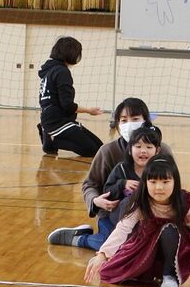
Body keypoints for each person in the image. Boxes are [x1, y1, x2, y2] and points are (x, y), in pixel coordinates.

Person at [47, 99, 174, 249]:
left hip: (150, 214)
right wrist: (96, 201)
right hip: (111, 213)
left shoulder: (163, 151)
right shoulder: (108, 151)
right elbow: (90, 184)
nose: (129, 125)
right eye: (124, 120)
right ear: (118, 125)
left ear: (146, 121)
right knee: (114, 247)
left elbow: (172, 184)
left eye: (135, 119)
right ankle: (80, 238)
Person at [84, 155, 190, 287]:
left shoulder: (183, 200)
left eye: (165, 181)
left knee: (169, 229)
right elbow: (123, 228)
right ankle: (146, 273)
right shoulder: (141, 201)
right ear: (145, 183)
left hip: (176, 244)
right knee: (109, 272)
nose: (159, 187)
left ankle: (169, 276)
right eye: (153, 182)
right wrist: (102, 255)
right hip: (146, 244)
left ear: (175, 182)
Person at [38, 36, 104, 157]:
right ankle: (52, 140)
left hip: (50, 119)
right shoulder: (62, 72)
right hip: (57, 121)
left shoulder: (49, 70)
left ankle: (49, 135)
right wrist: (89, 110)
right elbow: (67, 106)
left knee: (100, 147)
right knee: (94, 150)